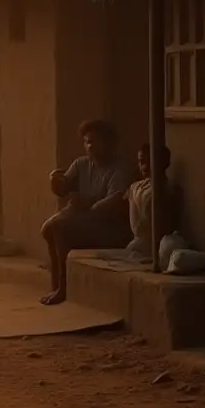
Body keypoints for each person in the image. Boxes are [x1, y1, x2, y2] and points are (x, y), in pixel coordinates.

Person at [41, 119, 135, 305]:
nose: (90, 146)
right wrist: (56, 181)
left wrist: (86, 204)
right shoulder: (81, 164)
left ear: (109, 142)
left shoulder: (119, 169)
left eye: (95, 141)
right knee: (48, 228)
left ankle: (63, 287)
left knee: (60, 228)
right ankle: (56, 283)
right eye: (87, 141)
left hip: (110, 228)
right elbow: (63, 187)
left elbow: (112, 206)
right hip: (86, 220)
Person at [125, 143, 171, 258]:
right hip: (137, 241)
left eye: (149, 162)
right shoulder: (135, 187)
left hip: (155, 243)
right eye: (141, 162)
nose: (145, 167)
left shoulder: (167, 189)